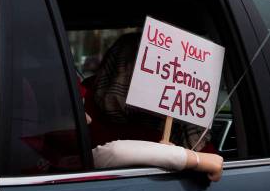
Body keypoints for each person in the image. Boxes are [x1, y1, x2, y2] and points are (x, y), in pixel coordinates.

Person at [84, 31, 223, 181]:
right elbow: (106, 155)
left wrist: (183, 155)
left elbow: (212, 166)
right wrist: (186, 158)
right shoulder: (82, 104)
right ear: (121, 65)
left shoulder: (180, 122)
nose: (161, 75)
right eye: (149, 64)